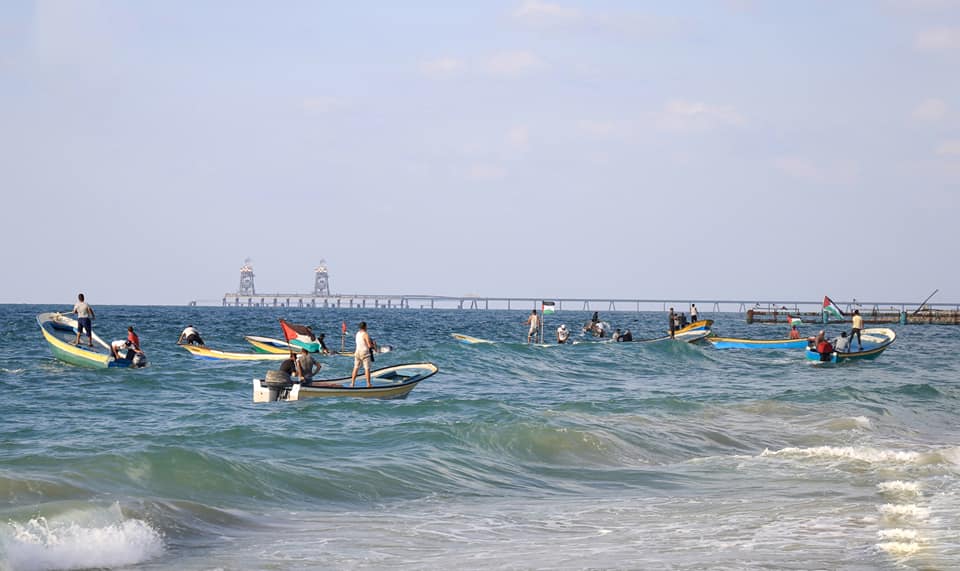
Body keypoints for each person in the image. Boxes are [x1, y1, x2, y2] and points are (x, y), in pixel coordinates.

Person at [350, 321, 377, 387]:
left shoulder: (357, 333)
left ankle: (352, 383)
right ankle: (368, 384)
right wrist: (374, 345)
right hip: (364, 353)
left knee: (355, 367)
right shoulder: (365, 334)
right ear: (365, 327)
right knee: (367, 368)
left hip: (357, 352)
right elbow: (369, 345)